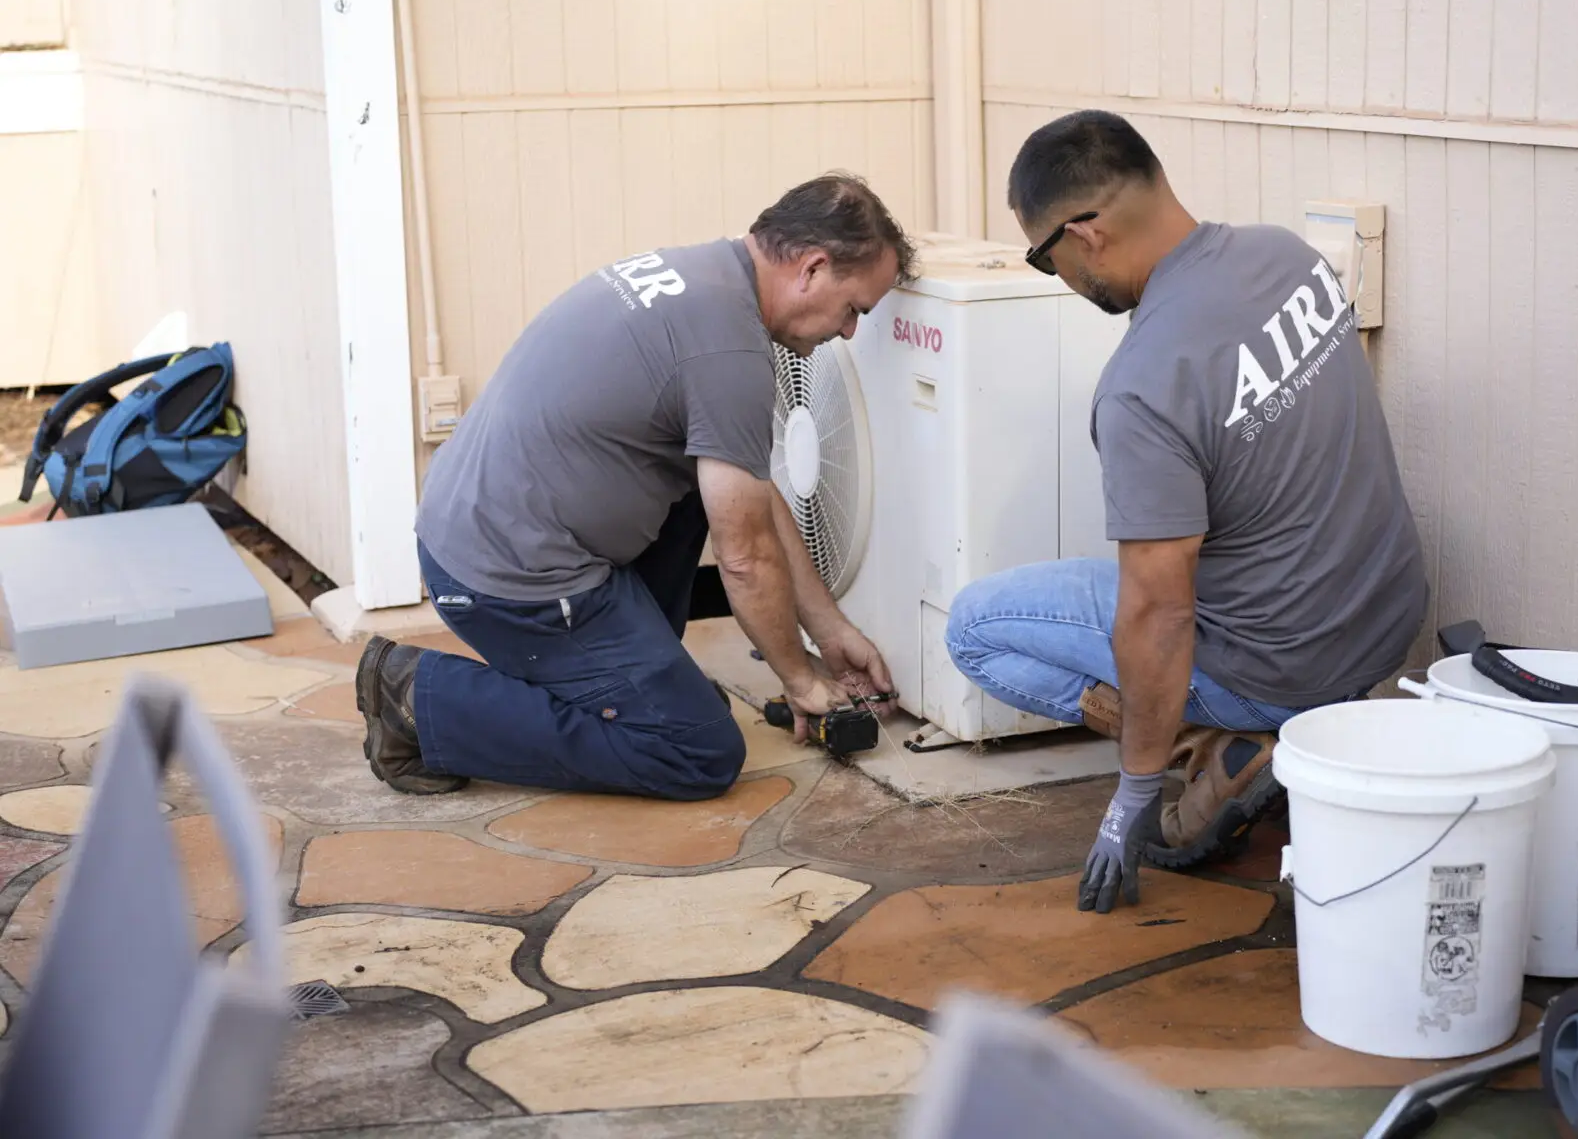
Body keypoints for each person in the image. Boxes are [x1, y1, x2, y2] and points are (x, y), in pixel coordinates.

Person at [944, 111, 1428, 913]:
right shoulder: (1285, 254)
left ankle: (1222, 745)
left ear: (1086, 233)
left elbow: (1159, 611)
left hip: (1278, 667)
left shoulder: (1144, 385)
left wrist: (1133, 795)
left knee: (974, 628)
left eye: (1042, 255)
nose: (1050, 271)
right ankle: (1251, 743)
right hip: (1383, 623)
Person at [356, 173, 913, 801]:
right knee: (696, 747)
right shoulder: (728, 355)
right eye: (854, 310)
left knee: (720, 491)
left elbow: (753, 498)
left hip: (479, 536)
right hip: (512, 586)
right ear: (812, 268)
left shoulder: (703, 276)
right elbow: (744, 557)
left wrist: (829, 629)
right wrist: (800, 679)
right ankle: (418, 698)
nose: (847, 333)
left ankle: (626, 681)